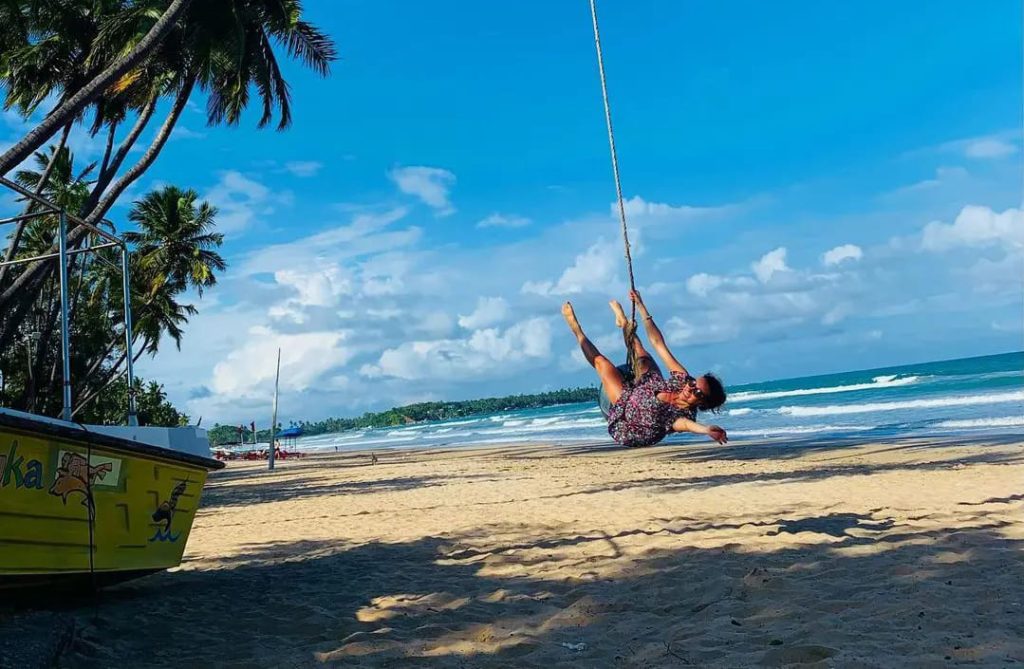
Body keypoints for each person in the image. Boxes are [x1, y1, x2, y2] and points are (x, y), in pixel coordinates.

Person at [561, 290, 728, 448]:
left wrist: (706, 430)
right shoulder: (682, 380)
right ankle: (624, 324)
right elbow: (658, 344)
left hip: (627, 418)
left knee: (601, 362)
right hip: (645, 388)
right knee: (641, 353)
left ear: (703, 402)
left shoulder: (684, 415)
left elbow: (685, 425)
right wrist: (641, 305)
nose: (690, 389)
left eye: (697, 393)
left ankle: (577, 330)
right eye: (693, 384)